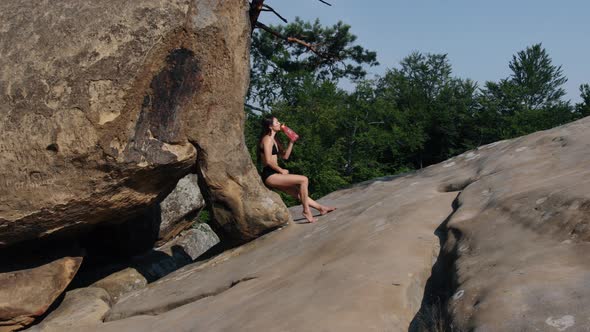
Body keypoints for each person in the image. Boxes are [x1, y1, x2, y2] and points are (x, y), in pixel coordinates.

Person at [258, 116, 336, 223]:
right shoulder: (267, 139)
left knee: (299, 193)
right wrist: (281, 170)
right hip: (270, 175)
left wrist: (291, 141)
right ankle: (306, 211)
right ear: (270, 126)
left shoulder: (274, 139)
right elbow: (267, 161)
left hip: (276, 173)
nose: (280, 123)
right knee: (304, 180)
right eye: (277, 122)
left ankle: (321, 208)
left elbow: (285, 156)